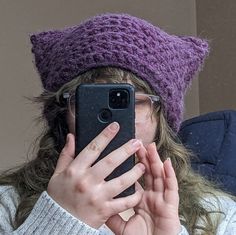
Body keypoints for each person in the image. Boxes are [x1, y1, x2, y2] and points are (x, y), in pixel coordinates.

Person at [0, 13, 235, 235]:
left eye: (132, 100)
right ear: (63, 115)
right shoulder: (7, 204)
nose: (111, 121)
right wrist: (57, 223)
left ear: (162, 117)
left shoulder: (220, 215)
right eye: (91, 100)